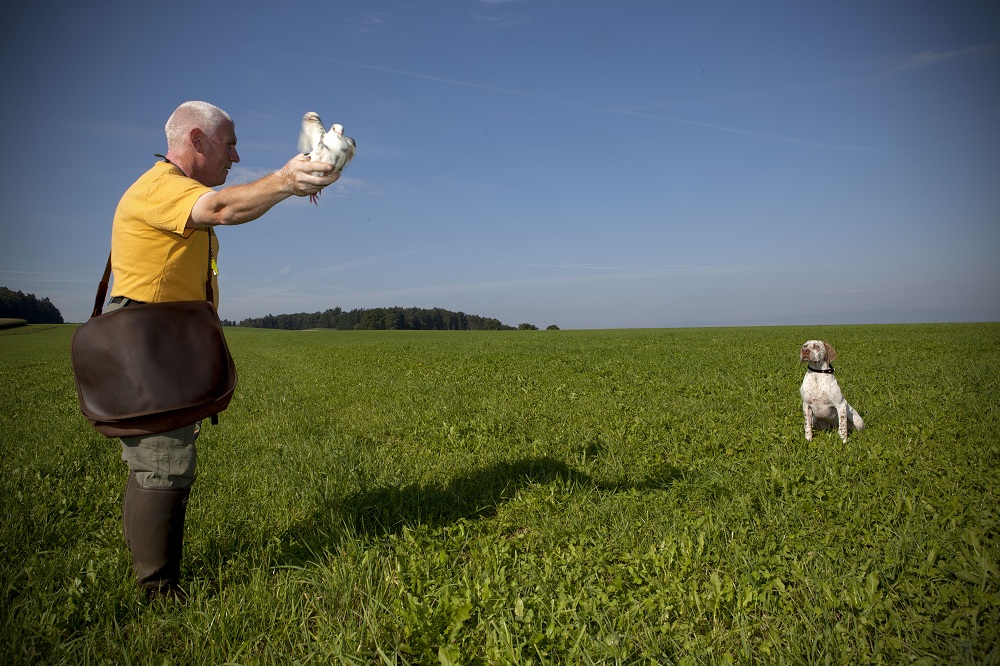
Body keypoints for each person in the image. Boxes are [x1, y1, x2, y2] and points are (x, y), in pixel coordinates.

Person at [108, 100, 341, 600]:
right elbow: (222, 208)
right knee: (163, 459)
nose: (236, 156)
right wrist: (286, 180)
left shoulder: (170, 191)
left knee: (156, 458)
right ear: (196, 141)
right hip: (150, 342)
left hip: (165, 339)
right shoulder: (161, 188)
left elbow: (227, 206)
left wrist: (290, 188)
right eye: (229, 144)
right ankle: (158, 591)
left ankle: (153, 575)